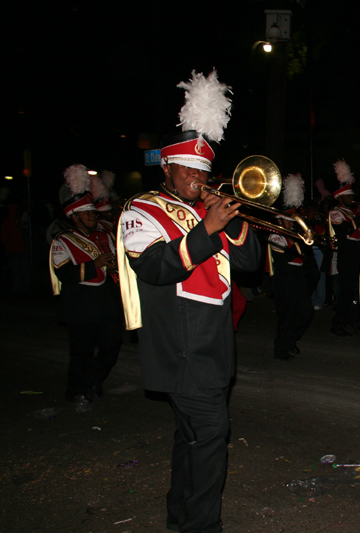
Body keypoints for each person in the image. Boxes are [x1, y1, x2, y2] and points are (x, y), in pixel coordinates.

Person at [117, 70, 261, 533]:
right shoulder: (142, 209)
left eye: (203, 171)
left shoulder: (210, 209)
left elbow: (250, 263)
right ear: (167, 167)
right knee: (211, 437)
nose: (197, 178)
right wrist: (206, 230)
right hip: (180, 346)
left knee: (193, 437)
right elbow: (155, 267)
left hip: (214, 343)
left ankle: (179, 514)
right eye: (187, 169)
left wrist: (230, 220)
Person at [49, 164, 121, 403]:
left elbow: (112, 264)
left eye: (93, 213)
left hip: (104, 301)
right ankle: (75, 390)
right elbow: (65, 274)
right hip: (79, 303)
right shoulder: (63, 241)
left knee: (112, 344)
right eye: (88, 213)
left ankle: (92, 380)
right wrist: (95, 264)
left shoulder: (103, 236)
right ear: (75, 216)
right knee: (81, 352)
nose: (93, 216)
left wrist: (113, 266)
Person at [266, 174, 318, 360]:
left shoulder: (295, 235)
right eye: (289, 220)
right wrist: (299, 242)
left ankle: (291, 340)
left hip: (298, 278)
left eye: (292, 220)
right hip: (285, 279)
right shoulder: (275, 236)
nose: (292, 223)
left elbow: (307, 255)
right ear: (280, 220)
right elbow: (287, 257)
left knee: (306, 313)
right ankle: (281, 348)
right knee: (287, 316)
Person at [329, 159, 360, 336]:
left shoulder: (351, 212)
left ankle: (354, 320)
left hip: (357, 255)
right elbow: (346, 230)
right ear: (340, 197)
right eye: (349, 196)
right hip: (346, 256)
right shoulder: (335, 213)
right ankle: (338, 323)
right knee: (346, 292)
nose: (352, 198)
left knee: (358, 292)